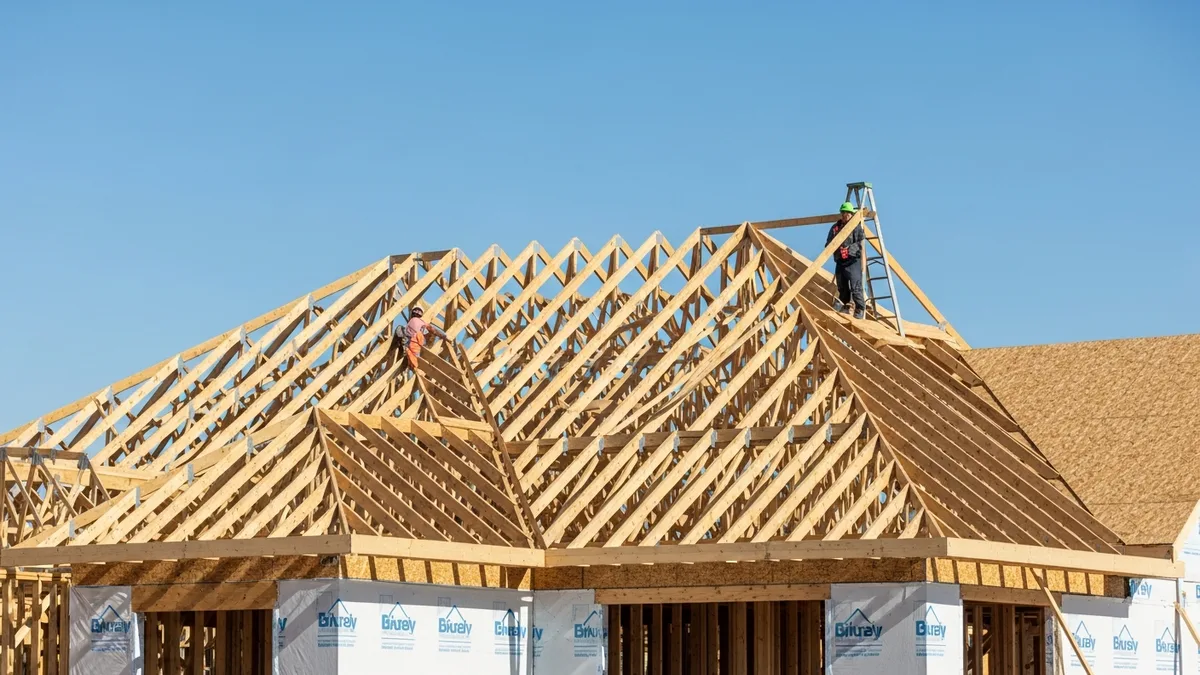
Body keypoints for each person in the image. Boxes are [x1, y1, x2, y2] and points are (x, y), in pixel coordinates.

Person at [826, 202, 866, 319]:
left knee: (855, 286)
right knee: (842, 285)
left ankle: (860, 308)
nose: (845, 215)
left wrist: (849, 250)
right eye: (843, 213)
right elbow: (829, 243)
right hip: (840, 261)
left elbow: (860, 244)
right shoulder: (835, 228)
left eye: (847, 214)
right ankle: (844, 304)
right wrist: (838, 250)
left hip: (853, 261)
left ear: (851, 214)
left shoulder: (856, 227)